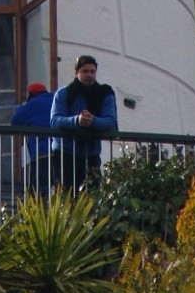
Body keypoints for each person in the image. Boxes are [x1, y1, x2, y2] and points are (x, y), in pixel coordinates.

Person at [50, 55, 118, 191]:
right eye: (85, 71)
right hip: (65, 155)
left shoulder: (104, 93)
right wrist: (77, 121)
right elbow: (55, 121)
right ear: (76, 72)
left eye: (92, 71)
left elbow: (111, 123)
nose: (90, 75)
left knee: (91, 200)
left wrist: (92, 121)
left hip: (90, 155)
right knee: (65, 199)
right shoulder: (64, 93)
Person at [11, 79, 55, 197]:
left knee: (38, 190)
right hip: (60, 151)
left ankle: (40, 212)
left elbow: (15, 122)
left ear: (31, 95)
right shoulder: (56, 100)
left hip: (41, 153)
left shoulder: (31, 105)